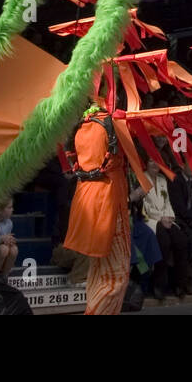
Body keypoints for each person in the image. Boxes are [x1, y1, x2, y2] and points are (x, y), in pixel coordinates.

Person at [64, 108, 130, 315]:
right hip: (108, 200)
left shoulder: (82, 124)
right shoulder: (113, 121)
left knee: (97, 272)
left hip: (85, 198)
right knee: (116, 275)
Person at [137, 157, 192, 299]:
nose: (154, 164)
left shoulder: (162, 180)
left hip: (166, 218)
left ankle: (180, 283)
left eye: (157, 161)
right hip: (151, 220)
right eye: (151, 161)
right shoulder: (141, 178)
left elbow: (167, 202)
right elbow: (145, 206)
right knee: (164, 242)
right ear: (145, 164)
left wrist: (168, 217)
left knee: (181, 240)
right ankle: (158, 285)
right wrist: (161, 218)